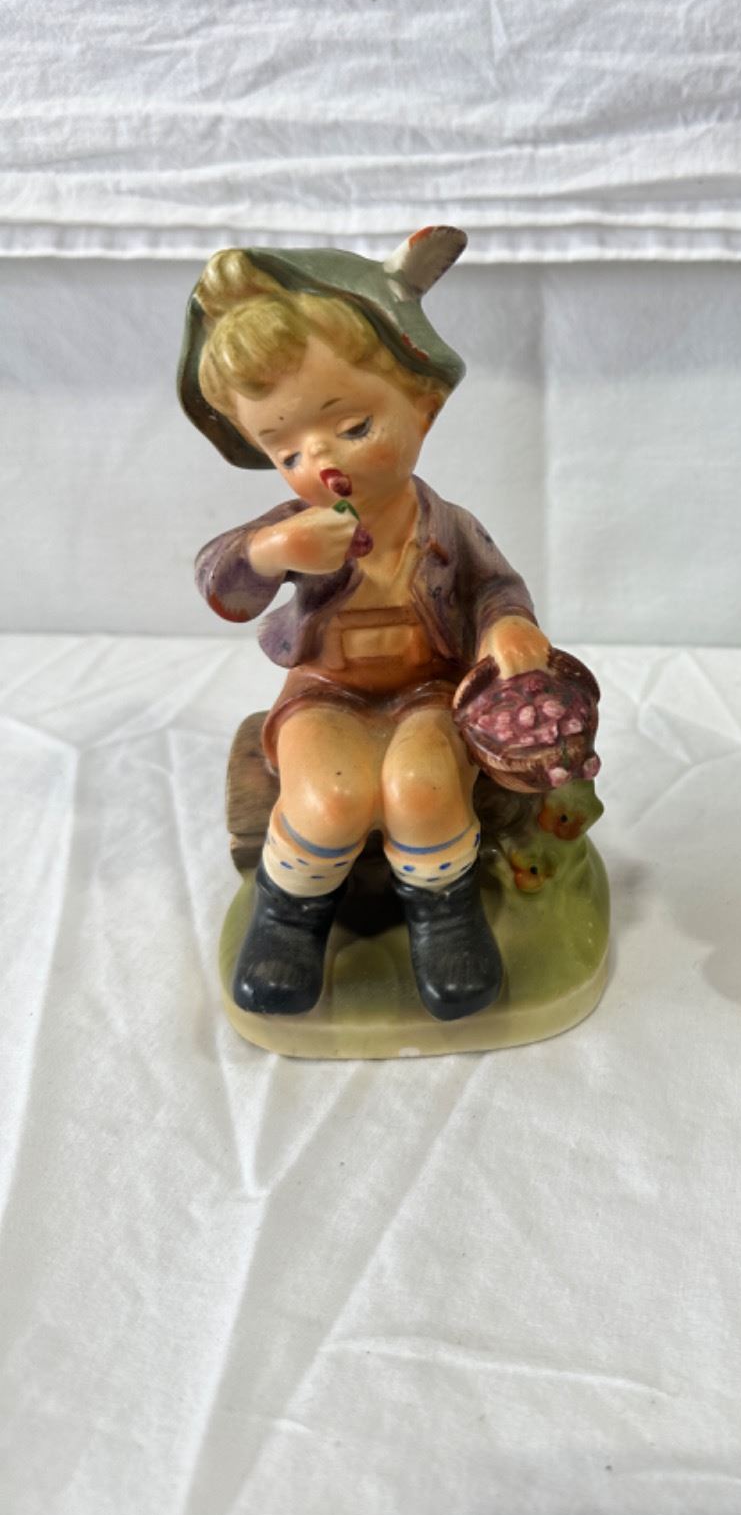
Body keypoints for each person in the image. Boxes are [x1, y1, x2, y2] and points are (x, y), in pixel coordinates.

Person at [181, 228, 551, 1023]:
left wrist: (508, 628)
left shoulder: (446, 526)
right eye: (286, 452)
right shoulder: (294, 529)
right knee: (327, 795)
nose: (321, 463)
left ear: (423, 404)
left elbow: (494, 586)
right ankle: (289, 915)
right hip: (327, 692)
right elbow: (221, 581)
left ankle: (444, 914)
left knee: (424, 786)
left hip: (429, 690)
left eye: (352, 428)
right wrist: (270, 551)